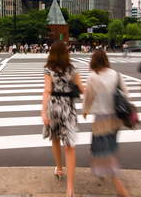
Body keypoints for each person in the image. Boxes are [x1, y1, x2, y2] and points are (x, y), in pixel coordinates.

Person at [82, 50, 130, 197]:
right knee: (109, 145)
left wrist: (85, 110)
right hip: (116, 117)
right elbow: (126, 94)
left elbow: (88, 96)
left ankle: (119, 187)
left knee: (102, 150)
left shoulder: (93, 76)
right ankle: (102, 171)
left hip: (101, 119)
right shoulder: (116, 74)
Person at [42, 41, 84, 197]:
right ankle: (70, 188)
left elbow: (47, 90)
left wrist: (43, 112)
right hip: (68, 109)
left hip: (53, 107)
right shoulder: (73, 69)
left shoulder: (48, 69)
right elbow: (81, 88)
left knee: (55, 139)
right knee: (70, 146)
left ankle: (59, 169)